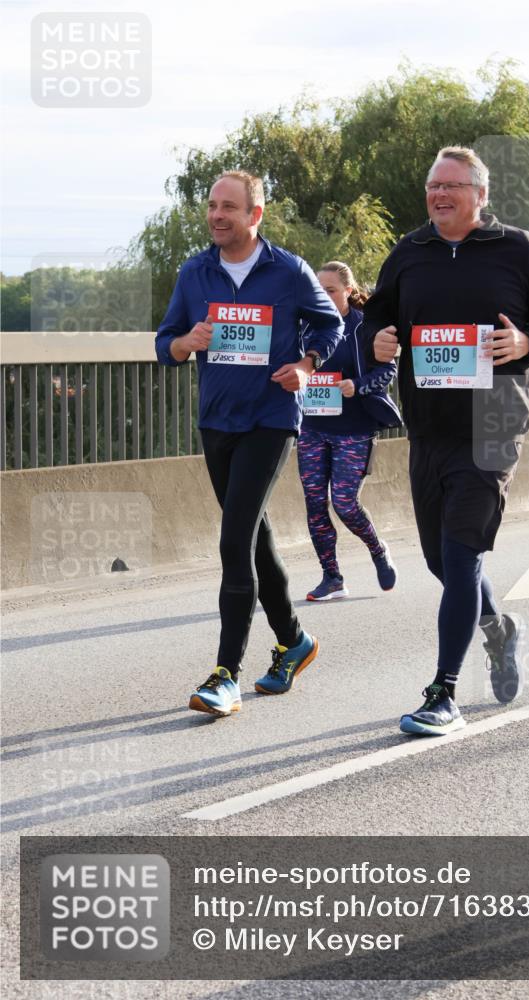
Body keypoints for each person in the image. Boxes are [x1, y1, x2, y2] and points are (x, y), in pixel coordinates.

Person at [366, 145, 529, 736]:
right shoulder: (409, 252)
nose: (439, 195)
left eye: (452, 186)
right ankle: (499, 630)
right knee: (440, 560)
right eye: (433, 186)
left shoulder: (519, 249)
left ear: (480, 195)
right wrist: (377, 341)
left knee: (461, 555)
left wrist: (528, 343)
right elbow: (375, 318)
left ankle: (444, 693)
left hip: (493, 424)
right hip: (429, 426)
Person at [155, 171, 343, 716]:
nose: (217, 215)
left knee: (234, 539)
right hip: (218, 421)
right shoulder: (195, 272)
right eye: (212, 206)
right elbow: (165, 342)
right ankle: (295, 641)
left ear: (254, 215)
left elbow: (330, 325)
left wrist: (307, 366)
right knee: (255, 537)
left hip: (271, 418)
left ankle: (224, 676)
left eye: (229, 208)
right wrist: (186, 342)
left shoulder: (287, 271)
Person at [298, 261, 402, 601]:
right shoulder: (305, 327)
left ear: (347, 291)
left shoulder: (364, 326)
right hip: (312, 427)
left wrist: (355, 386)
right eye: (319, 290)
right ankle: (332, 577)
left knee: (343, 502)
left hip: (353, 429)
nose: (323, 296)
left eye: (330, 290)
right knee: (315, 503)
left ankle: (377, 548)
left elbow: (388, 371)